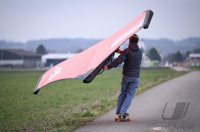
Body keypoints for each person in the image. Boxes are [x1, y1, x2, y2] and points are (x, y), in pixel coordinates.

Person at [104, 34, 142, 116]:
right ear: (137, 41)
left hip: (126, 76)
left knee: (123, 94)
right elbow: (130, 55)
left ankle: (119, 111)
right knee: (129, 95)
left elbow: (119, 60)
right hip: (135, 77)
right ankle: (123, 112)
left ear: (129, 41)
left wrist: (108, 67)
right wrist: (120, 52)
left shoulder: (126, 51)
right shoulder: (140, 52)